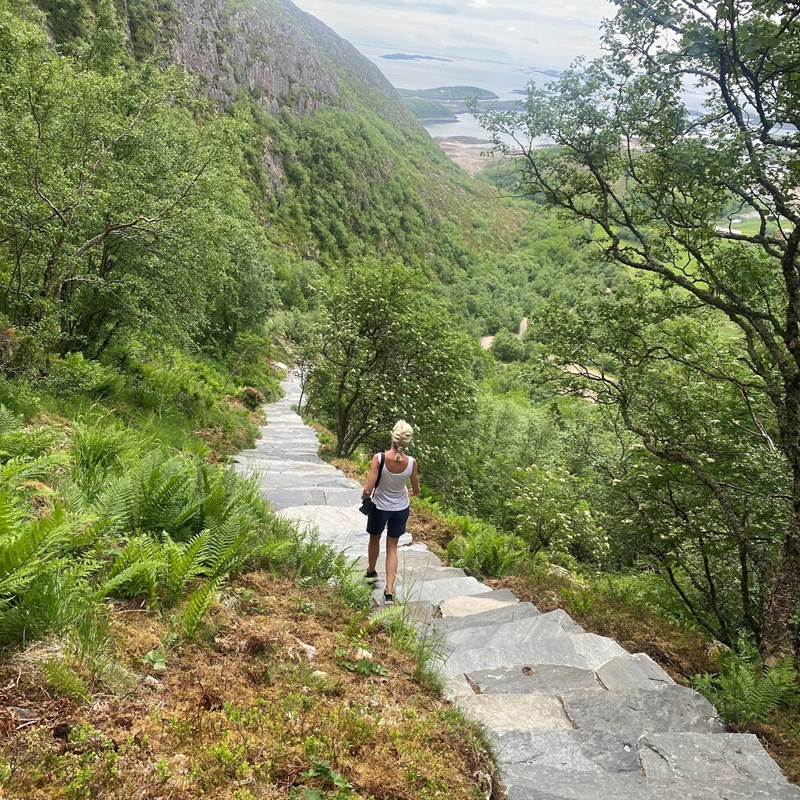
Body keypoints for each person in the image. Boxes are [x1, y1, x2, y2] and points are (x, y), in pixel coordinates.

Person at [361, 420, 420, 604]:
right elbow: (416, 490)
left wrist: (364, 498)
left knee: (375, 538)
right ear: (407, 441)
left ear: (392, 436)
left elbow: (368, 489)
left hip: (379, 507)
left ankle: (371, 572)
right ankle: (389, 592)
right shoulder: (411, 463)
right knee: (393, 547)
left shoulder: (379, 458)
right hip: (400, 509)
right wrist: (408, 492)